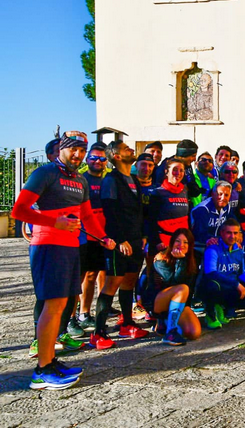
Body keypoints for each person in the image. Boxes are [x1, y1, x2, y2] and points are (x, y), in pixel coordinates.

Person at [12, 131, 115, 389]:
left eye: (82, 150)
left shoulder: (78, 179)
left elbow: (88, 217)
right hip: (48, 246)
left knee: (63, 306)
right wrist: (54, 221)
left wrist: (103, 238)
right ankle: (42, 370)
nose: (78, 155)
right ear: (61, 150)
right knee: (53, 306)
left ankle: (50, 360)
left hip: (71, 248)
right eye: (73, 150)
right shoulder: (45, 173)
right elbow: (19, 210)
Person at [94, 140, 149, 349]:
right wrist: (119, 240)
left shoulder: (134, 179)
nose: (131, 150)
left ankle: (127, 323)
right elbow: (110, 211)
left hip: (136, 240)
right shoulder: (111, 180)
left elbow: (140, 211)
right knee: (112, 284)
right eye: (126, 148)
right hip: (119, 242)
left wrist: (143, 236)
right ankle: (99, 332)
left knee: (129, 282)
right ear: (116, 156)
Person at [67, 143, 108, 338]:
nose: (97, 161)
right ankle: (70, 318)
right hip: (83, 235)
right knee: (79, 278)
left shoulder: (109, 180)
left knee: (93, 275)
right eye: (93, 157)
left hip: (101, 235)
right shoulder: (81, 179)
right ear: (87, 160)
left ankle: (85, 314)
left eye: (101, 158)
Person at [197, 219, 245, 328]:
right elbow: (210, 273)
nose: (232, 236)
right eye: (228, 233)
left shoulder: (239, 251)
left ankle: (221, 306)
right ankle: (210, 313)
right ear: (222, 233)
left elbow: (241, 273)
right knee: (213, 285)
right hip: (211, 287)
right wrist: (236, 284)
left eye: (235, 233)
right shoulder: (213, 249)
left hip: (229, 287)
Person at [140, 228, 201, 345]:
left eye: (185, 242)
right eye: (177, 241)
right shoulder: (161, 258)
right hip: (158, 300)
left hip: (180, 300)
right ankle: (170, 331)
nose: (181, 245)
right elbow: (174, 282)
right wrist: (180, 261)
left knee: (194, 333)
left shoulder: (192, 259)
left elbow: (190, 286)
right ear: (172, 242)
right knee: (182, 288)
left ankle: (165, 322)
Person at [190, 181, 233, 257]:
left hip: (217, 245)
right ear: (213, 194)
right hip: (199, 248)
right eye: (220, 194)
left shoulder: (227, 206)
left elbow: (233, 223)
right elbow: (199, 234)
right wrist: (219, 240)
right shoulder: (203, 209)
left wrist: (239, 233)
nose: (223, 198)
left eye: (226, 195)